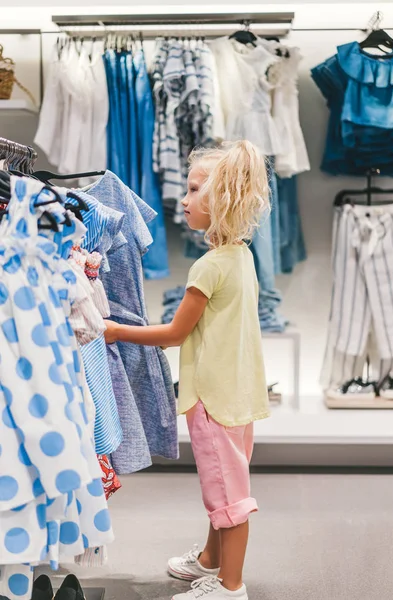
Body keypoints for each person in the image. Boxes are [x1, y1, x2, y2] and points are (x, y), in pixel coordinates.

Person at [104, 140, 270, 600]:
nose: (186, 198)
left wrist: (116, 331)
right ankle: (210, 562)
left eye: (196, 189)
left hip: (213, 399)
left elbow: (175, 334)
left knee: (228, 498)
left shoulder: (207, 267)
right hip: (239, 395)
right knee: (226, 484)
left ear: (223, 201)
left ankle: (230, 586)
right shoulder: (241, 257)